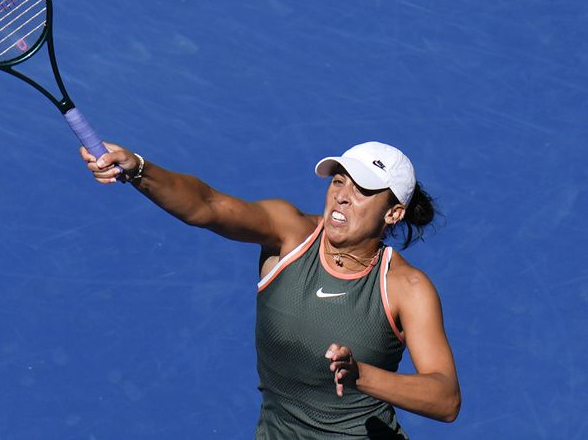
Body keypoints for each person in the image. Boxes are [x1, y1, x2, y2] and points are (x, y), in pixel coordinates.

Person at [81, 141, 460, 438]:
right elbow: (208, 205)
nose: (341, 195)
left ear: (393, 213)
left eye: (363, 190)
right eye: (338, 180)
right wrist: (140, 170)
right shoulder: (289, 234)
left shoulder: (407, 288)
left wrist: (362, 376)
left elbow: (445, 399)